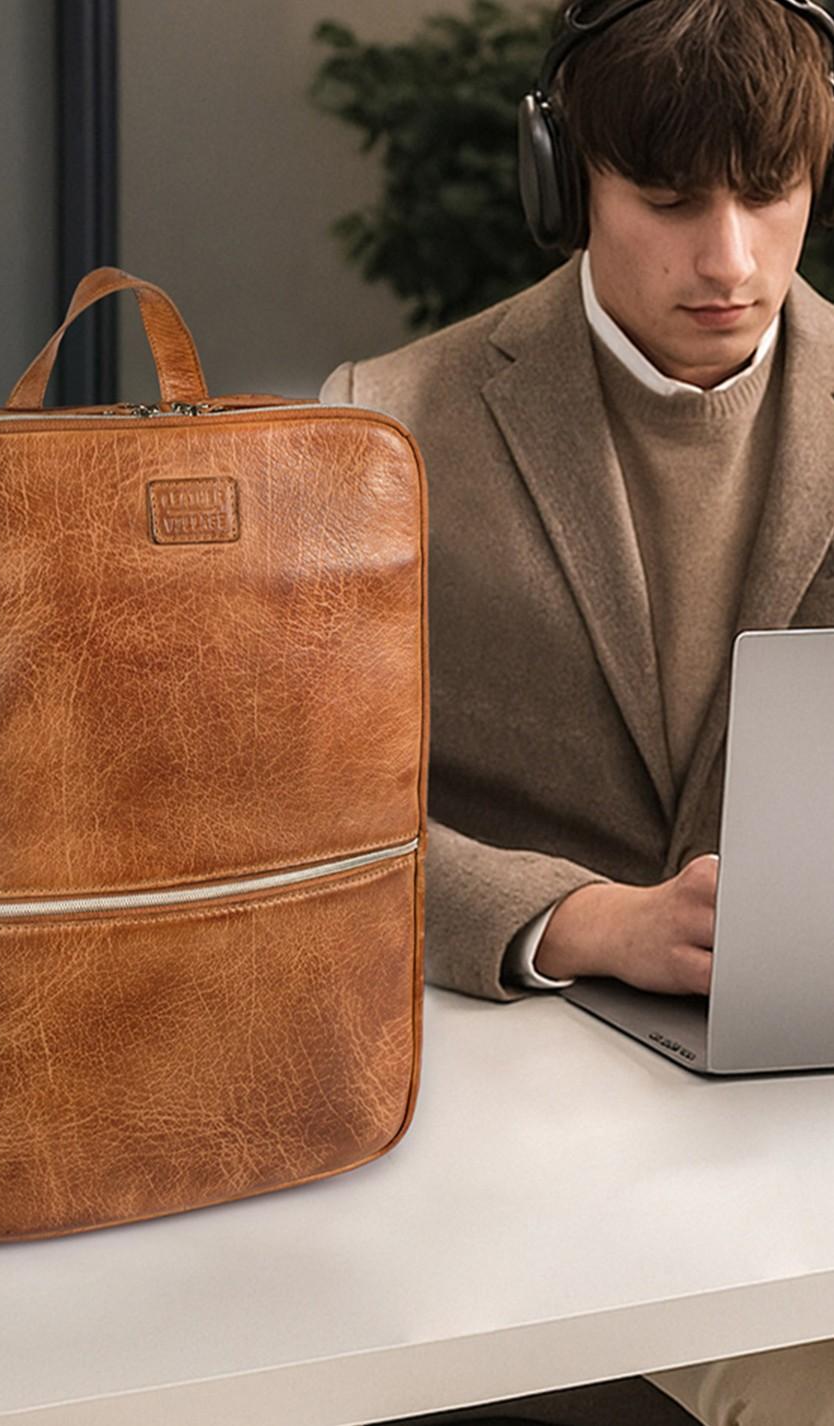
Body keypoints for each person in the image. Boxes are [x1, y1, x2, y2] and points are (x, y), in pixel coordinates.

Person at [319, 1, 834, 1422]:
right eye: (668, 203)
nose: (728, 259)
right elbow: (304, 839)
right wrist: (580, 919)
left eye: (770, 195)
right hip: (512, 1155)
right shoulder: (387, 425)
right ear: (564, 180)